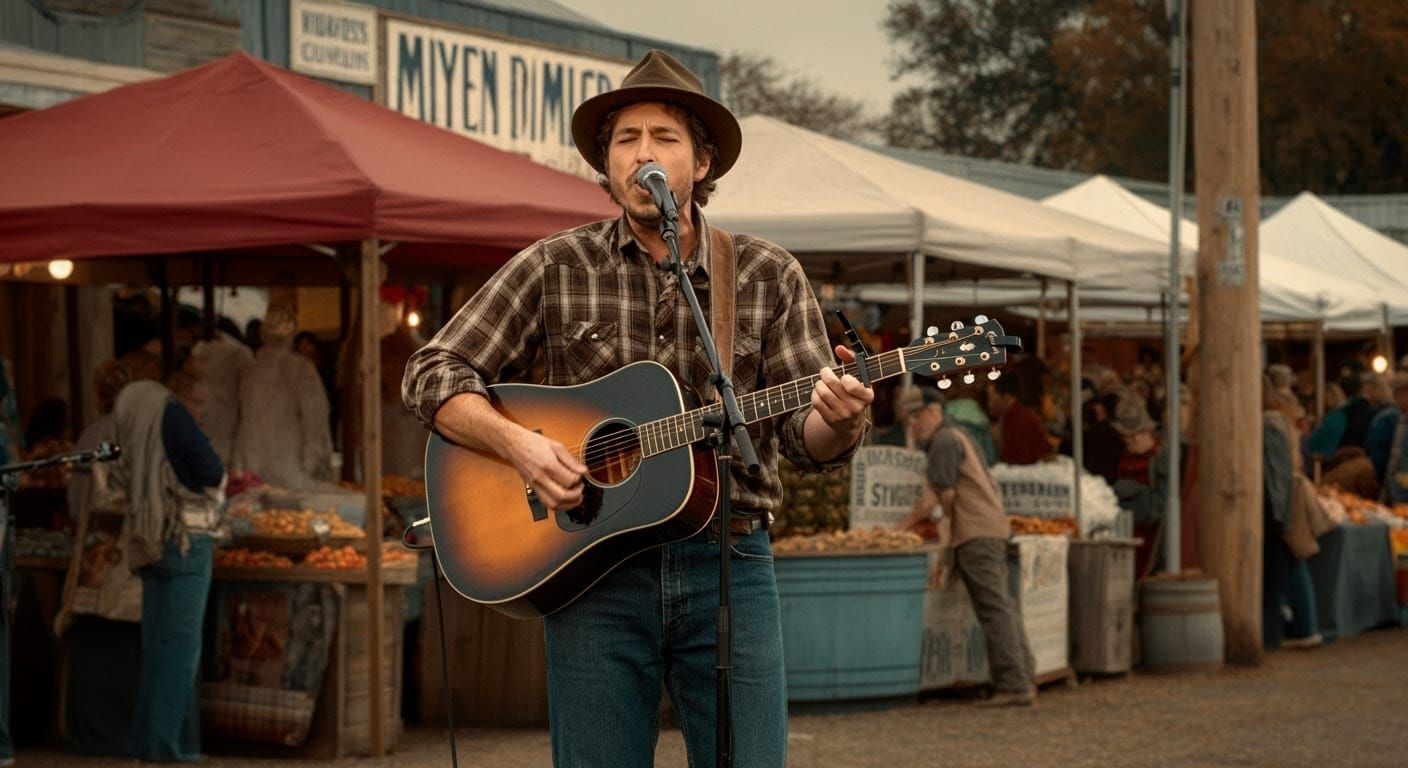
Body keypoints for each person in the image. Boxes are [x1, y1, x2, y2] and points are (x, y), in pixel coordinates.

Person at [401, 50, 872, 767]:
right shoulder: (555, 264)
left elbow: (805, 444)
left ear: (703, 164)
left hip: (729, 560)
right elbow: (431, 370)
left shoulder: (768, 273)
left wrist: (838, 417)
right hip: (594, 568)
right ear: (607, 163)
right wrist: (518, 445)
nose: (642, 153)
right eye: (626, 140)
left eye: (663, 138)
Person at [111, 373, 225, 763]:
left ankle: (149, 741)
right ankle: (162, 746)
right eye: (199, 402)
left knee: (157, 646)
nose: (201, 412)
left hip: (150, 537)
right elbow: (211, 471)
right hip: (184, 539)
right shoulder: (171, 415)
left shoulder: (129, 414)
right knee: (178, 649)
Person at [897, 389, 1036, 706]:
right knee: (1003, 606)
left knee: (994, 609)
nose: (913, 425)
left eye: (917, 416)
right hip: (990, 528)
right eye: (909, 419)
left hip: (975, 533)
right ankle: (1024, 675)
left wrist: (897, 530)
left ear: (935, 411)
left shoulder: (945, 441)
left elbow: (935, 497)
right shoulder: (959, 435)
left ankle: (1014, 684)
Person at [232, 305, 334, 488]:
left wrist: (238, 465)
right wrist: (311, 465)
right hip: (290, 466)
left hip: (254, 464)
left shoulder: (250, 371)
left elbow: (241, 423)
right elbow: (316, 420)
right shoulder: (301, 368)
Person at [987, 369, 1051, 464]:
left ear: (1006, 396)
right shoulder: (1010, 416)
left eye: (991, 399)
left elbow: (1017, 459)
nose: (989, 404)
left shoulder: (1021, 418)